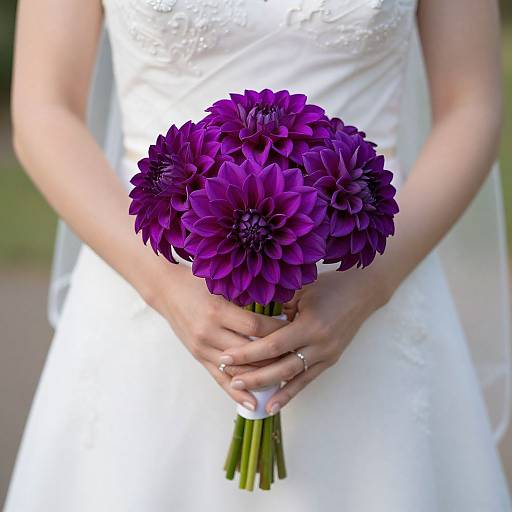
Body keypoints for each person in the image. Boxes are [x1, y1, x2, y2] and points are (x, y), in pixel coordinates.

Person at [5, 0, 511, 510]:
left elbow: (472, 105)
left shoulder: (370, 285)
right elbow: (43, 107)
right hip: (147, 286)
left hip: (372, 284)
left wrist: (370, 285)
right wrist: (163, 286)